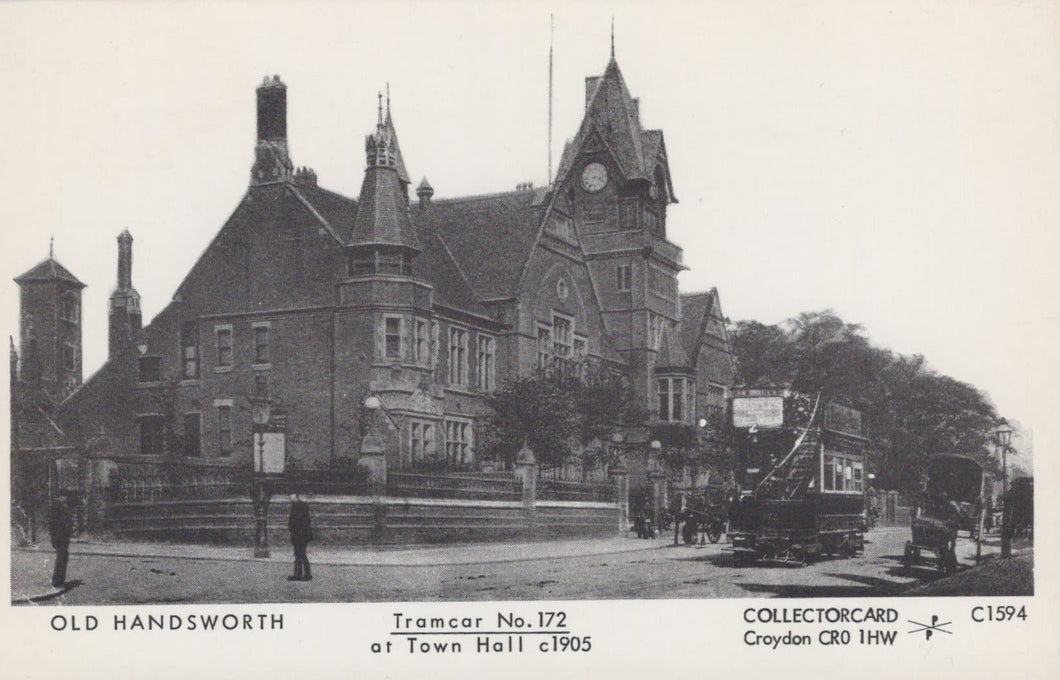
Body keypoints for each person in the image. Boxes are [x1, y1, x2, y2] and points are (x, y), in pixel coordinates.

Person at [48, 493, 74, 588]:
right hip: (59, 536)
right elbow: (52, 525)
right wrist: (53, 538)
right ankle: (57, 581)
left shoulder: (63, 507)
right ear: (61, 497)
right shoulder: (57, 507)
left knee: (63, 557)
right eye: (65, 496)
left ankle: (60, 580)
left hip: (63, 536)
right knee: (61, 557)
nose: (66, 499)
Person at [287, 493, 313, 581]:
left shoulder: (297, 507)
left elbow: (294, 521)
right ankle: (299, 574)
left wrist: (292, 528)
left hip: (299, 534)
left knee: (301, 554)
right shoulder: (302, 506)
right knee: (299, 554)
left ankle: (304, 574)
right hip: (301, 534)